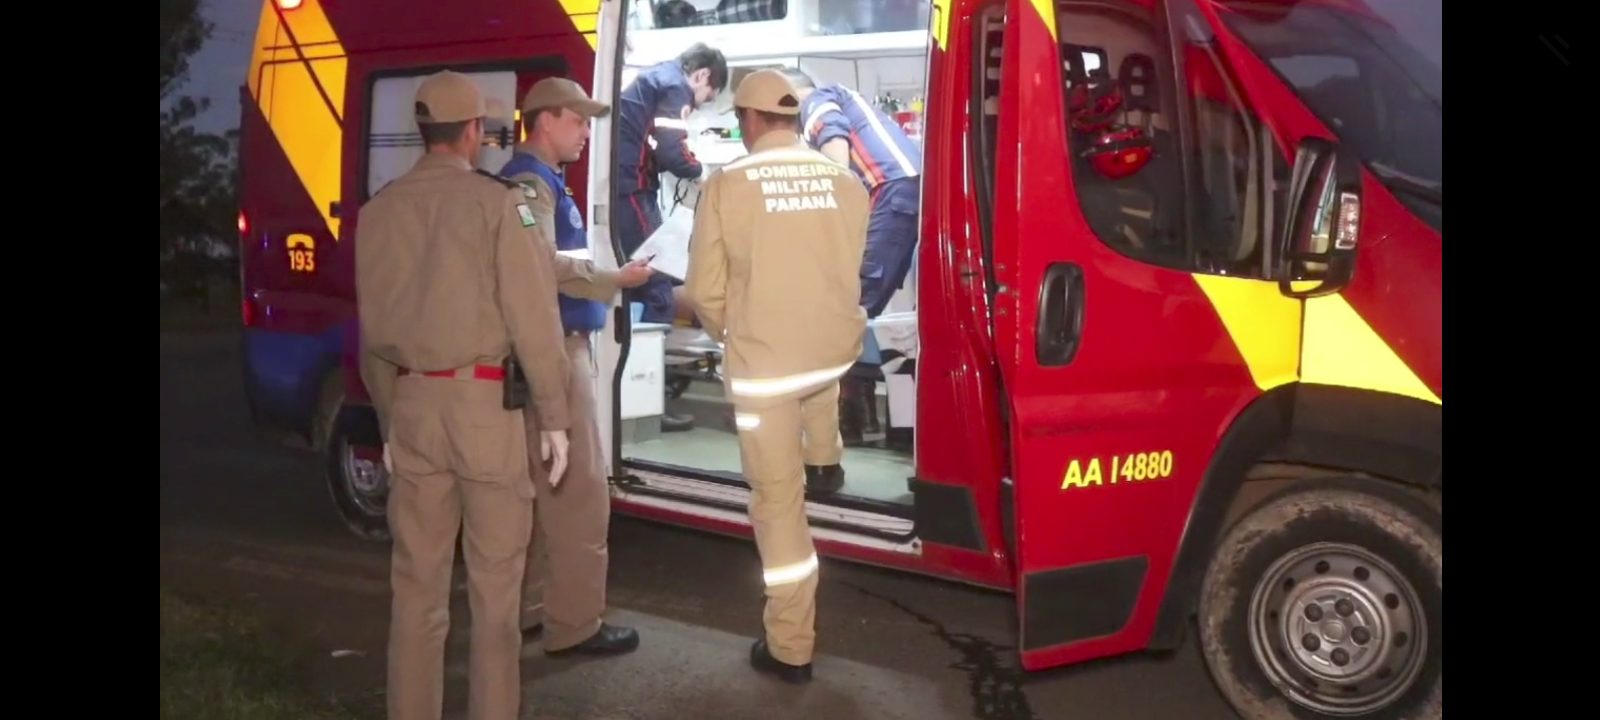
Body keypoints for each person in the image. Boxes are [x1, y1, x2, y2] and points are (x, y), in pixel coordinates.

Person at [356, 70, 571, 720]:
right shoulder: (502, 202)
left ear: (424, 130)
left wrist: (393, 424)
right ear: (475, 132)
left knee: (417, 593)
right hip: (483, 412)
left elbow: (372, 336)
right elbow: (533, 317)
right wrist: (555, 415)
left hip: (414, 410)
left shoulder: (378, 210)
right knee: (495, 599)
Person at [683, 69, 870, 684]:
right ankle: (826, 457)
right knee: (818, 380)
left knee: (777, 503)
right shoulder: (846, 182)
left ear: (749, 120)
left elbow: (706, 293)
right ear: (792, 119)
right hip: (831, 352)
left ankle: (790, 645)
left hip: (768, 367)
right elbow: (843, 271)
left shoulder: (728, 184)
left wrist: (732, 333)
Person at [496, 77, 651, 657]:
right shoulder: (530, 184)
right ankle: (575, 626)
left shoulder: (537, 183)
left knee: (543, 493)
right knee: (580, 493)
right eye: (579, 120)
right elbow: (541, 264)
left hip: (553, 344)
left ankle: (536, 612)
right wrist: (618, 279)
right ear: (546, 121)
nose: (587, 132)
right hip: (556, 349)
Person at [782, 69, 924, 459]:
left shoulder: (816, 100)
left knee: (848, 307)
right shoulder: (848, 97)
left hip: (891, 194)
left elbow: (834, 146)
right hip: (906, 197)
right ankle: (895, 427)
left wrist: (832, 208)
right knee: (889, 322)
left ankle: (829, 422)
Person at [614, 41, 730, 432]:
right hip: (630, 189)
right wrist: (705, 176)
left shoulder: (653, 77)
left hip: (627, 187)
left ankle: (627, 394)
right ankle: (648, 401)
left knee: (637, 288)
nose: (695, 106)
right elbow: (674, 154)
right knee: (658, 285)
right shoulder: (674, 86)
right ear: (701, 76)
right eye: (704, 99)